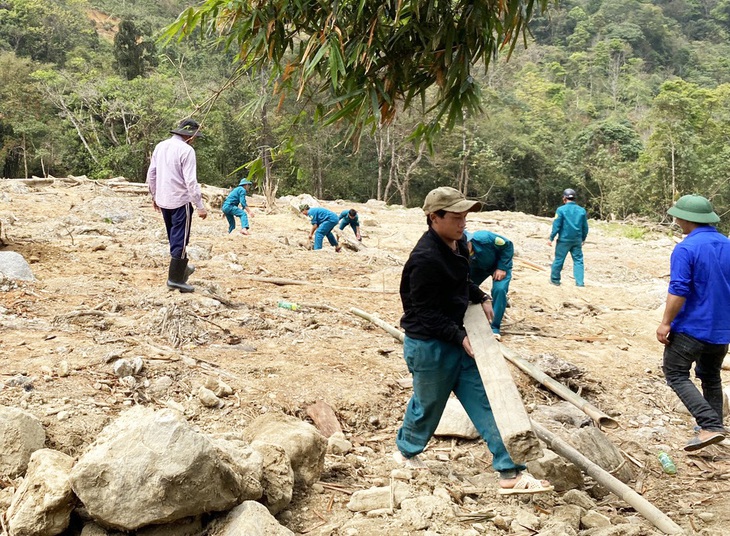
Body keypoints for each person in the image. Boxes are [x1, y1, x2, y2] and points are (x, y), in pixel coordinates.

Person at [395, 186, 553, 495]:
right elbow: (422, 312)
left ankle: (510, 471)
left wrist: (480, 295)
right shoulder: (425, 259)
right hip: (429, 345)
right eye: (455, 217)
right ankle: (406, 452)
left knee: (485, 401)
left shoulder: (459, 244)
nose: (463, 222)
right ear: (434, 218)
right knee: (428, 405)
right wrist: (459, 336)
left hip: (457, 338)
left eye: (464, 216)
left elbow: (461, 282)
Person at [656, 194, 730, 452]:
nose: (676, 220)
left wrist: (665, 323)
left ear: (686, 219)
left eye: (677, 217)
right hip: (722, 329)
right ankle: (713, 431)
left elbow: (678, 289)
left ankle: (709, 424)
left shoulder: (686, 248)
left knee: (675, 373)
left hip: (691, 327)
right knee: (710, 376)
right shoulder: (727, 244)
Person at [146, 118, 208, 293]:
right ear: (190, 135)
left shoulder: (160, 146)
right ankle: (174, 279)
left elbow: (152, 173)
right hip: (180, 201)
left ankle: (182, 270)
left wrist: (154, 195)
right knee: (180, 240)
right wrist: (200, 206)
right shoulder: (187, 150)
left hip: (164, 200)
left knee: (175, 238)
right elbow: (191, 182)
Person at [466, 230, 514, 341]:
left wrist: (502, 267)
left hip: (498, 265)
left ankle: (494, 327)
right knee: (466, 290)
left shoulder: (484, 238)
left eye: (466, 244)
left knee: (499, 290)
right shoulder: (456, 250)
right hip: (478, 268)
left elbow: (508, 245)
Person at [548, 188, 588, 287]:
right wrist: (583, 238)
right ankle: (580, 282)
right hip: (576, 240)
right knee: (578, 261)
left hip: (563, 240)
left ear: (564, 198)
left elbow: (556, 225)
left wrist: (551, 238)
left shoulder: (561, 210)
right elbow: (585, 227)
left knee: (559, 259)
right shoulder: (581, 210)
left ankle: (555, 280)